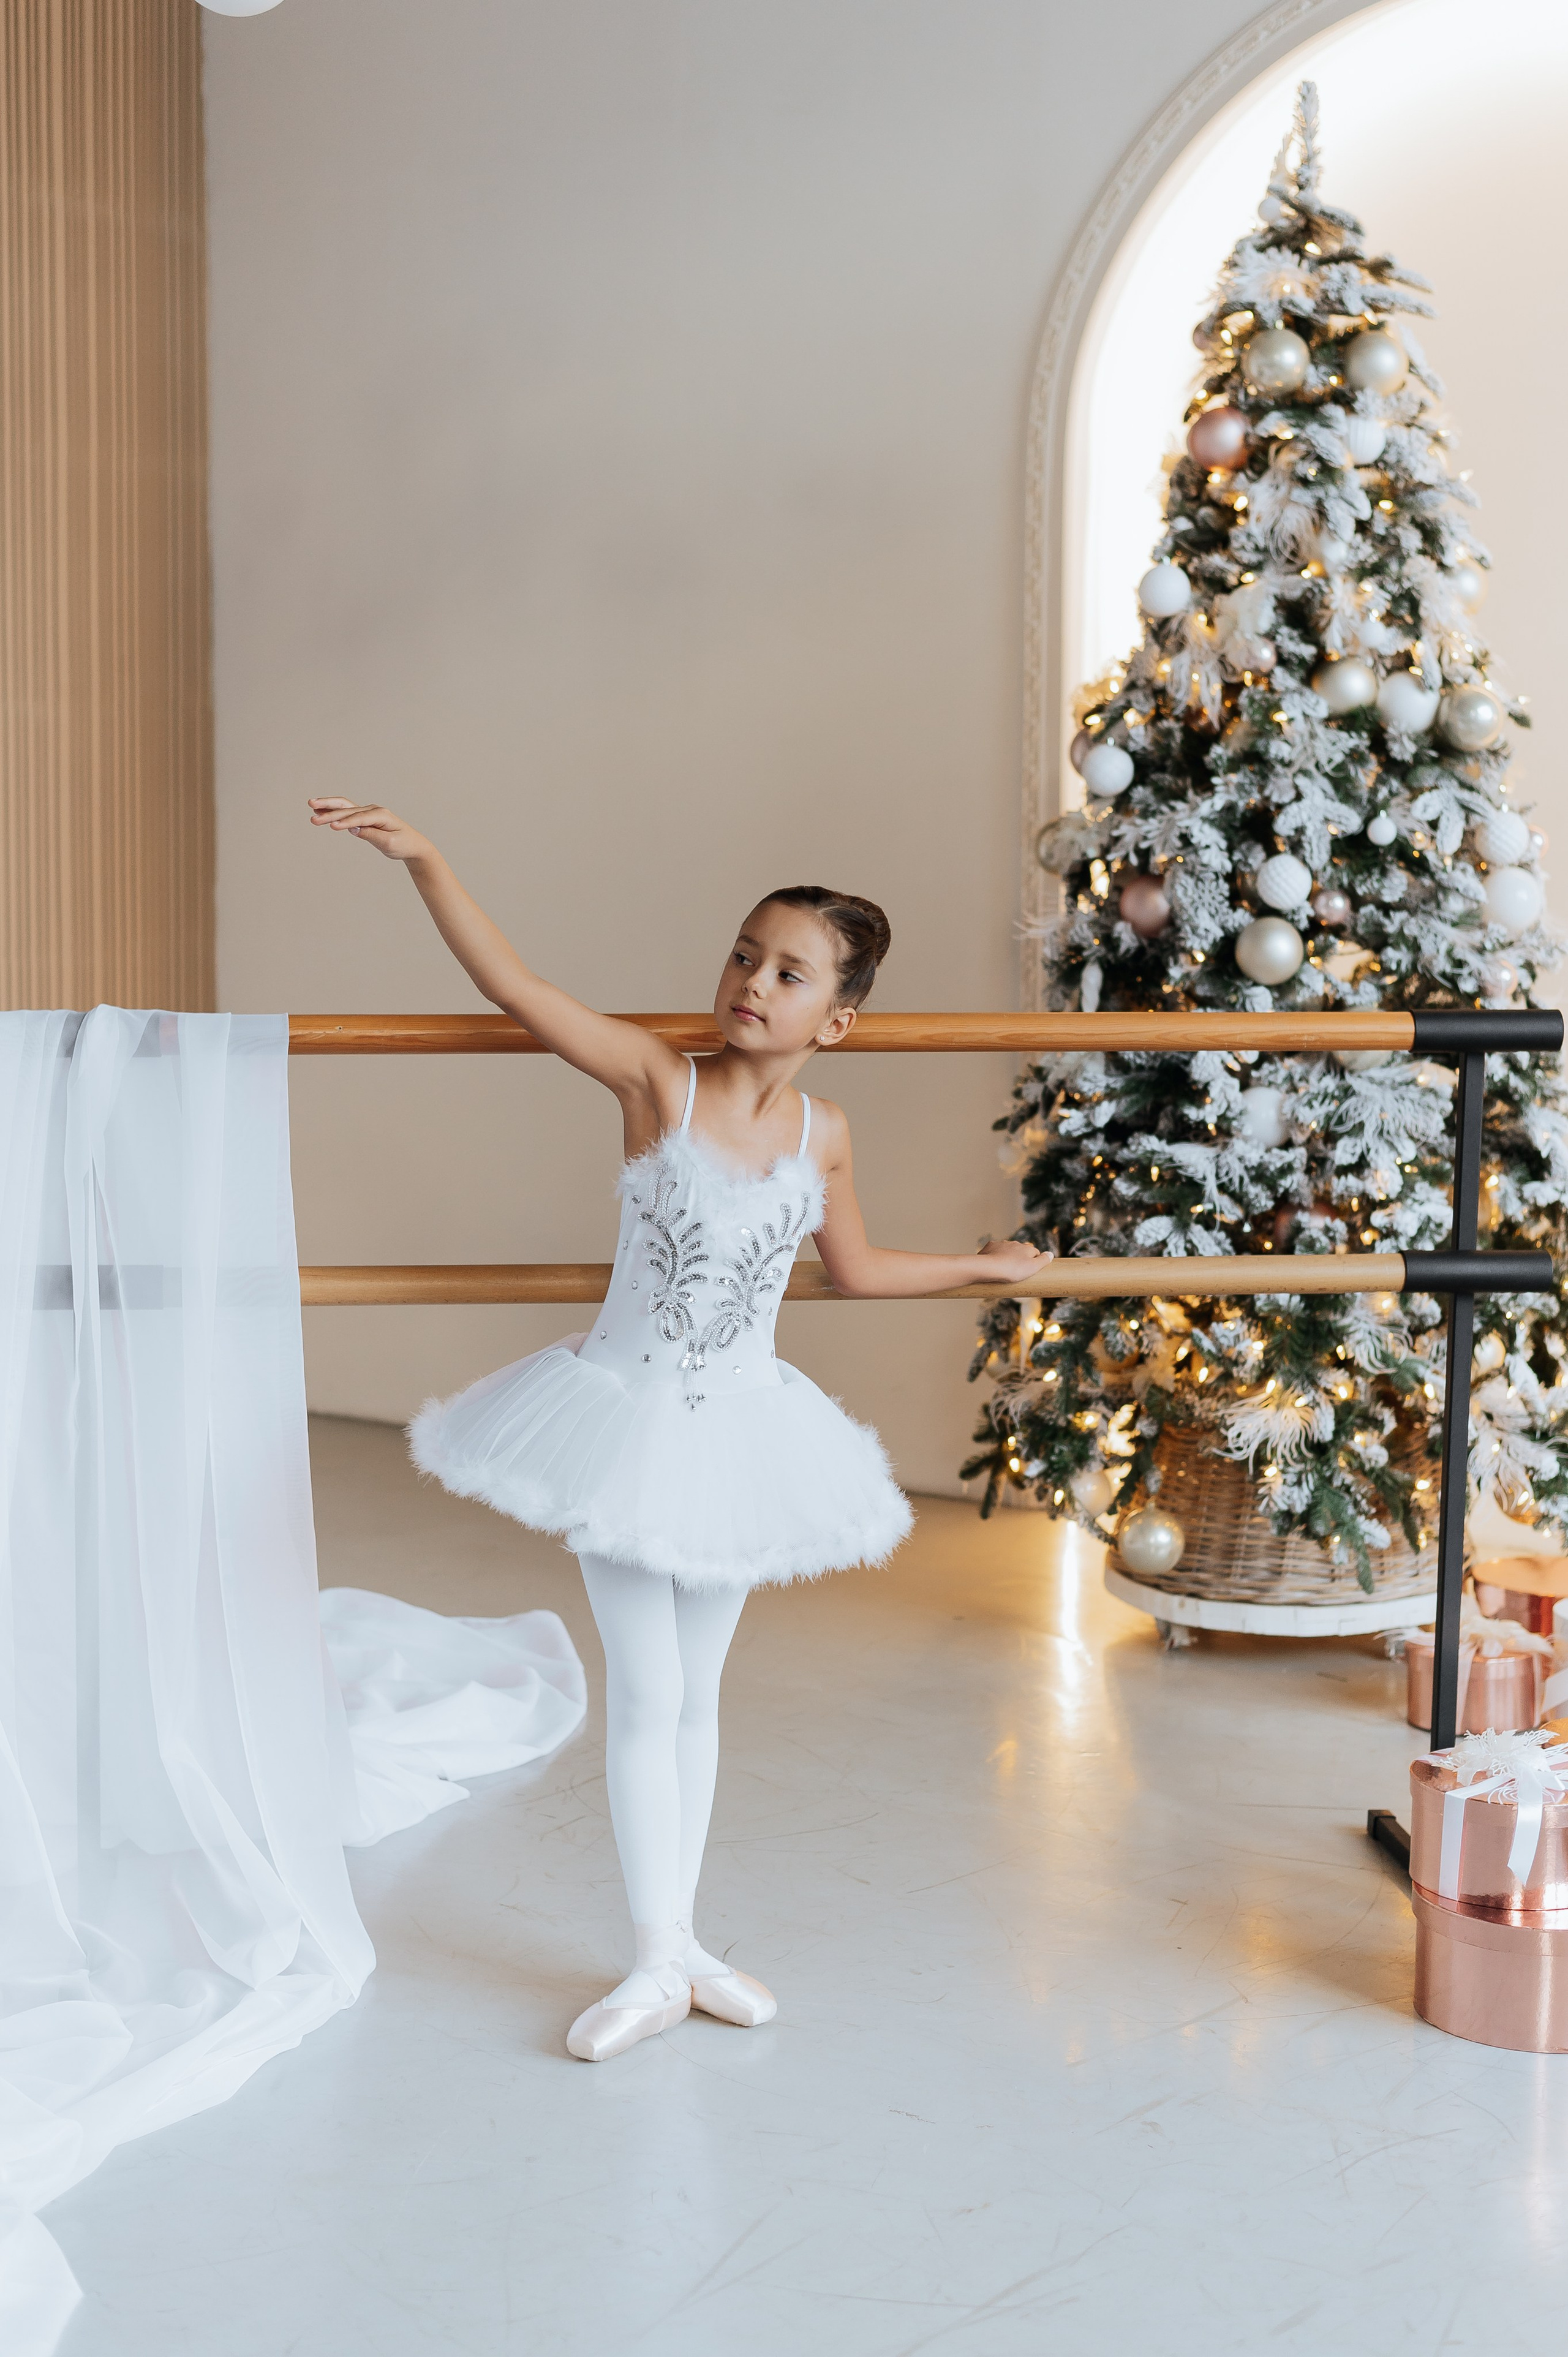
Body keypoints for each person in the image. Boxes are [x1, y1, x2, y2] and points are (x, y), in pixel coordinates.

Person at [309, 798, 1051, 2059]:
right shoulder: (659, 1079)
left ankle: (680, 1942)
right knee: (647, 1688)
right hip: (621, 1418)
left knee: (696, 1694)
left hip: (747, 1433)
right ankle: (655, 1958)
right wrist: (430, 860)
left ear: (839, 1016)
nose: (753, 982)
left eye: (789, 972)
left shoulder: (826, 1134)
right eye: (744, 955)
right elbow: (516, 988)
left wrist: (982, 1271)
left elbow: (857, 1272)